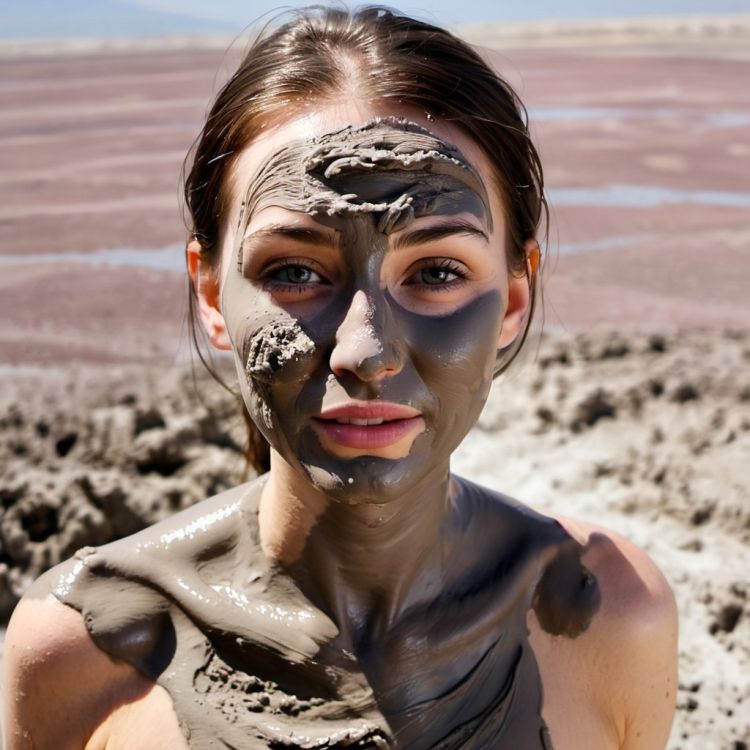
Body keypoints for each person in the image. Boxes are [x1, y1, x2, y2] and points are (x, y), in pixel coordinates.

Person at [3, 6, 678, 749]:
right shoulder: (83, 646)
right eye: (294, 271)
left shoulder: (606, 613)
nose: (366, 351)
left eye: (437, 272)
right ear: (209, 295)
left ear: (513, 300)